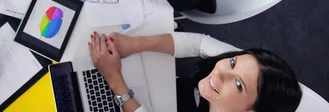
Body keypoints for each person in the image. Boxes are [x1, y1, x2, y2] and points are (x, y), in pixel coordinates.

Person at [88, 31, 302, 112]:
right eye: (233, 63)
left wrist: (115, 79)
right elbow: (199, 43)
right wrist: (136, 43)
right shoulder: (250, 67)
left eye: (238, 85)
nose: (219, 73)